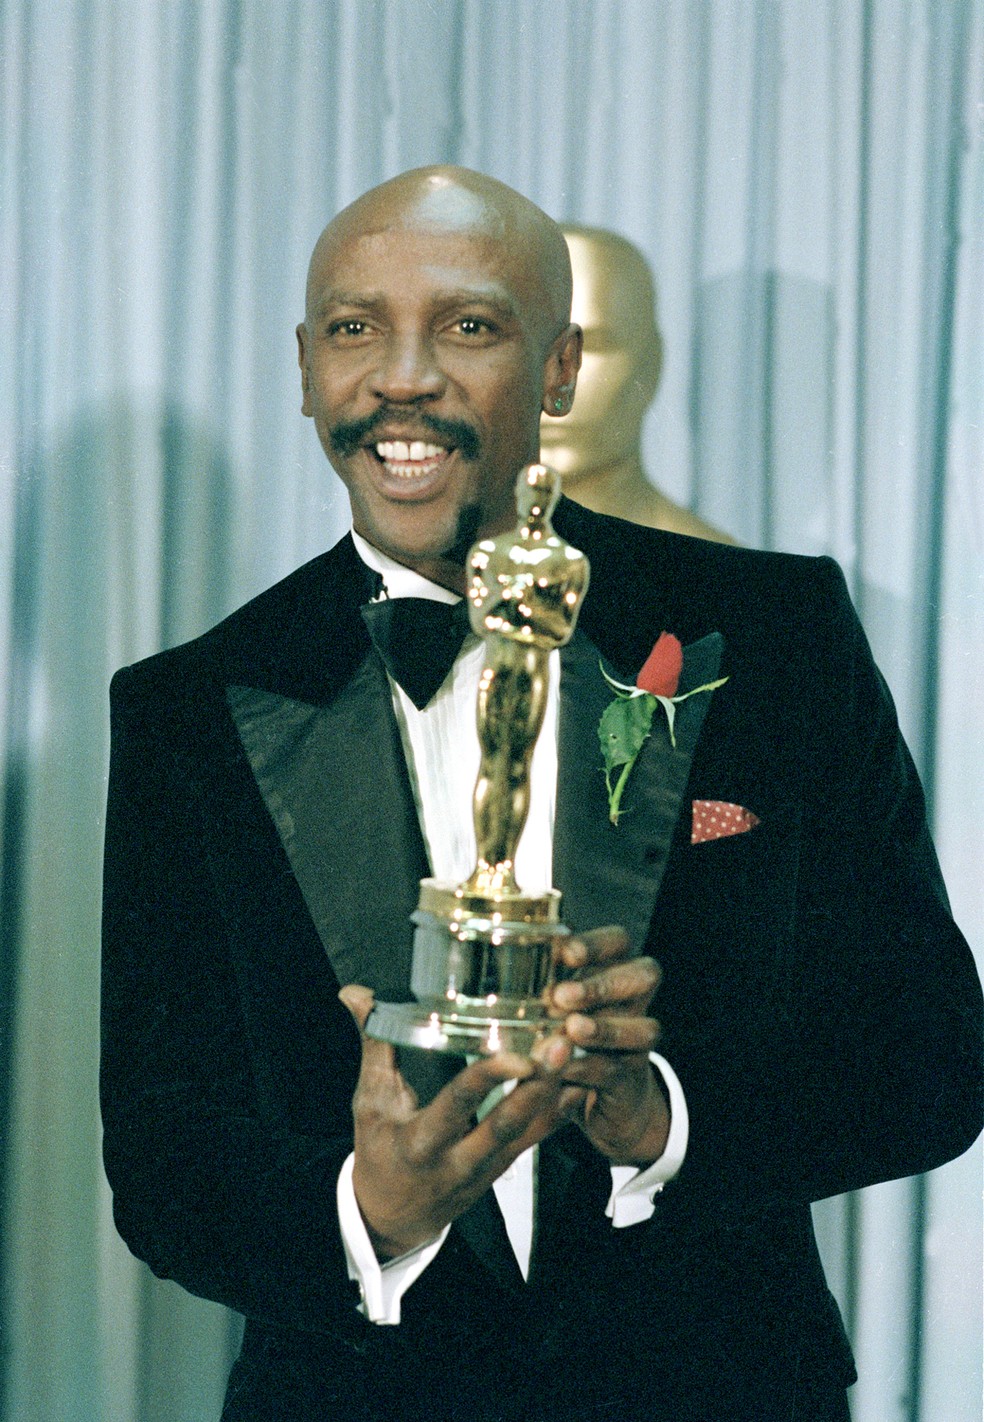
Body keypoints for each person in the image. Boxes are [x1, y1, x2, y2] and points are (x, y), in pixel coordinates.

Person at [100, 166, 982, 1422]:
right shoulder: (188, 706)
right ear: (305, 369)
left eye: (468, 326)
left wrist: (661, 1115)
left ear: (559, 369)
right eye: (355, 328)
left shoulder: (775, 634)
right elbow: (162, 1155)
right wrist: (363, 1211)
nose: (403, 377)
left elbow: (929, 1053)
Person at [539, 223, 735, 541]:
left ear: (650, 363)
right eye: (535, 344)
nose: (556, 377)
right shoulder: (454, 558)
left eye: (595, 345)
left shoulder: (713, 566)